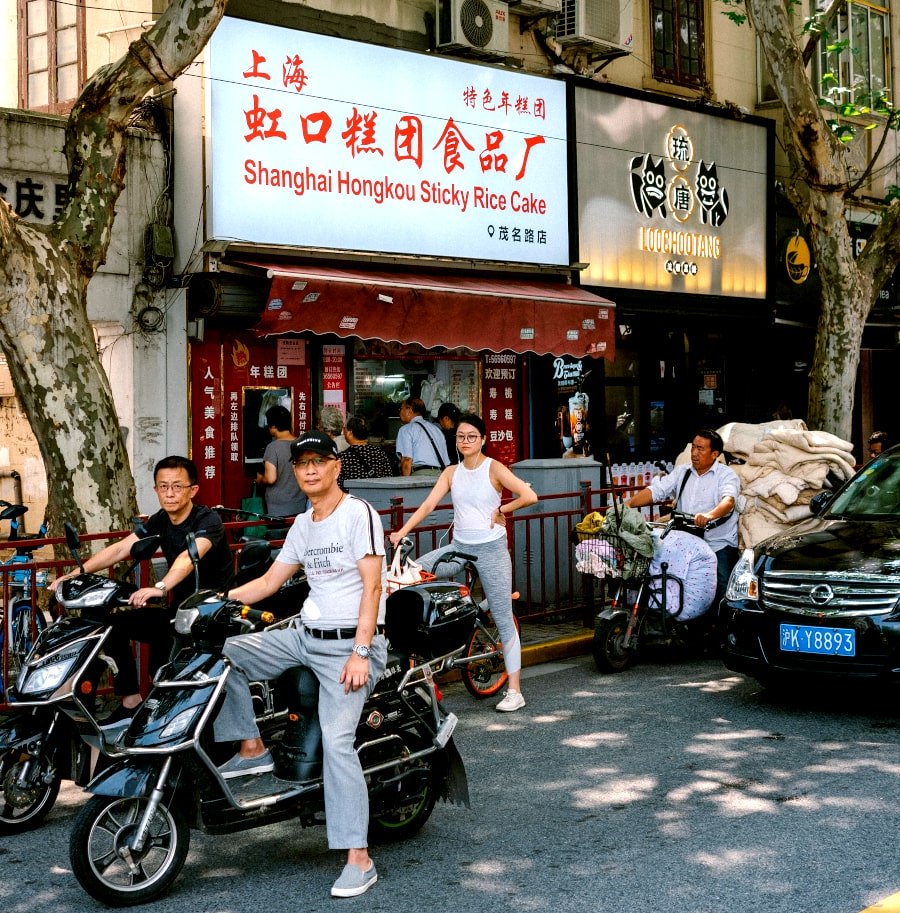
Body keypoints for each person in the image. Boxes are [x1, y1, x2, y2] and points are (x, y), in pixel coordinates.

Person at [213, 430, 388, 899]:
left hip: (351, 645)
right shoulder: (302, 524)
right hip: (303, 637)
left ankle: (359, 858)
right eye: (302, 464)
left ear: (336, 466)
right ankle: (252, 748)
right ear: (295, 472)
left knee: (337, 742)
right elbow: (270, 581)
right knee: (225, 651)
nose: (310, 470)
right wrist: (214, 603)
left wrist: (362, 652)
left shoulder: (359, 515)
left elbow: (372, 588)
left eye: (319, 461)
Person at [49, 456, 233, 726]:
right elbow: (122, 548)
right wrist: (77, 573)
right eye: (163, 486)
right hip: (179, 612)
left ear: (193, 490)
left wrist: (160, 587)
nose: (170, 493)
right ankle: (130, 700)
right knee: (114, 625)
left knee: (165, 671)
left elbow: (187, 558)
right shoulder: (161, 519)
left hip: (211, 614)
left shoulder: (207, 520)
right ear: (156, 489)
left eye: (177, 486)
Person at [388, 413, 537, 712]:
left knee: (504, 617)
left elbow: (529, 495)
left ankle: (515, 691)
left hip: (492, 549)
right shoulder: (450, 472)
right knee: (414, 573)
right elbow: (429, 504)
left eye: (471, 436)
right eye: (460, 436)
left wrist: (502, 508)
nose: (465, 441)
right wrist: (402, 531)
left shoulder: (493, 467)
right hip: (459, 546)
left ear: (483, 440)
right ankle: (464, 619)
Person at [626, 430, 739, 611]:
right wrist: (628, 504)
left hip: (717, 542)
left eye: (701, 449)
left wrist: (709, 515)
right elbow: (657, 491)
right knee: (671, 580)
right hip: (688, 542)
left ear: (715, 454)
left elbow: (729, 501)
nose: (694, 453)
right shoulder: (683, 472)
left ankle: (721, 632)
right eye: (693, 447)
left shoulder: (726, 475)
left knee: (722, 588)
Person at [255, 404, 307, 520]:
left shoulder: (273, 448)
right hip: (300, 504)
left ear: (273, 426)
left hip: (278, 508)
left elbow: (271, 478)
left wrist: (260, 479)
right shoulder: (301, 445)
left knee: (277, 537)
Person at [395, 397, 450, 476]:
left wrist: (405, 483)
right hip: (439, 475)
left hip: (420, 475)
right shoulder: (436, 430)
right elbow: (446, 463)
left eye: (401, 409)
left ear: (409, 410)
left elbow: (407, 460)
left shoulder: (406, 429)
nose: (399, 412)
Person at [338, 415, 395, 490]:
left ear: (350, 433)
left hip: (353, 498)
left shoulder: (343, 457)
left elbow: (338, 483)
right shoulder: (379, 453)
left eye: (345, 430)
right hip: (378, 496)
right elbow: (389, 478)